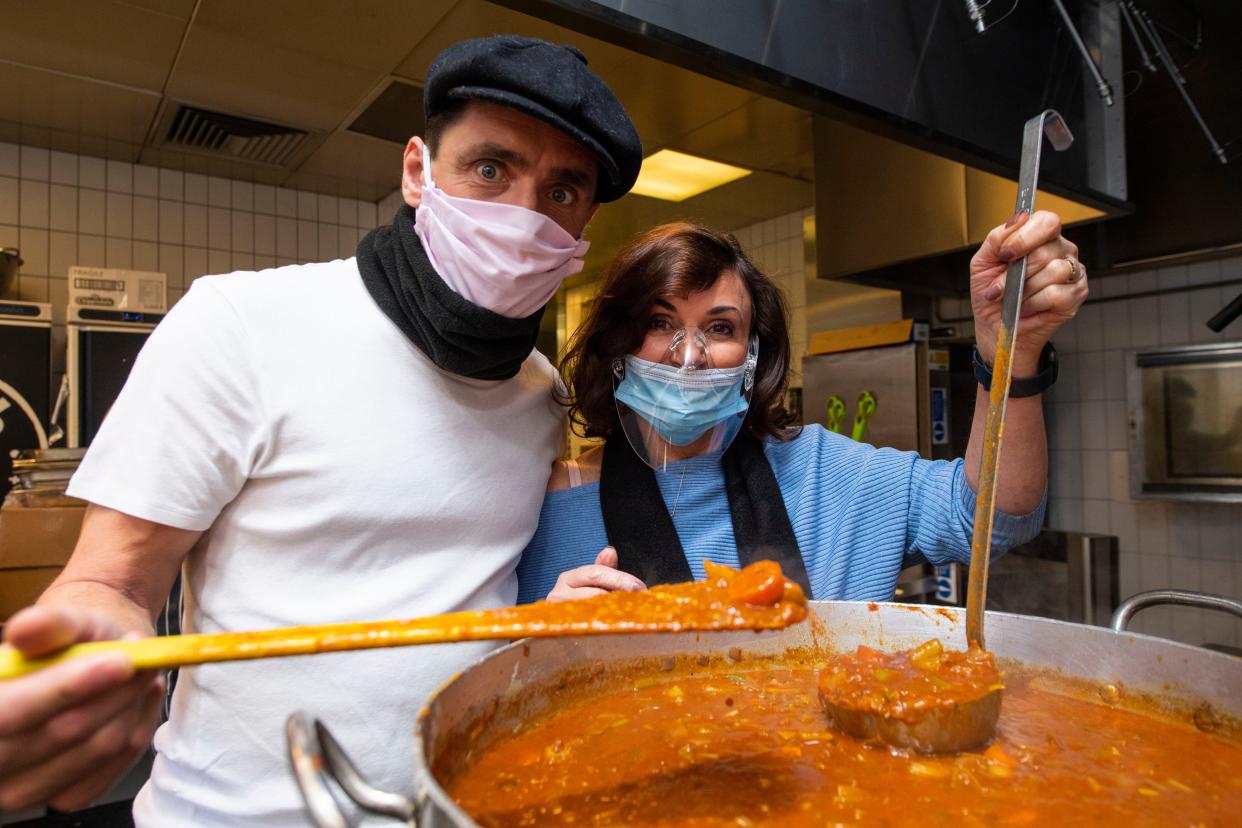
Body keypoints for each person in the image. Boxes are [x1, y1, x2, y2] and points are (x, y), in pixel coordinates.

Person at [0, 36, 641, 826]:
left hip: (456, 805)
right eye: (489, 169)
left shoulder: (540, 391)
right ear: (416, 171)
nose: (521, 217)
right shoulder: (240, 324)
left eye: (563, 191)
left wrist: (546, 618)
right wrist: (91, 645)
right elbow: (115, 582)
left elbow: (466, 597)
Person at [516, 218, 1086, 603]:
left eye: (720, 328)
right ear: (618, 344)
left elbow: (991, 517)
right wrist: (546, 641)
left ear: (752, 355)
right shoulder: (544, 505)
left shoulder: (827, 475)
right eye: (658, 322)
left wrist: (1010, 349)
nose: (688, 357)